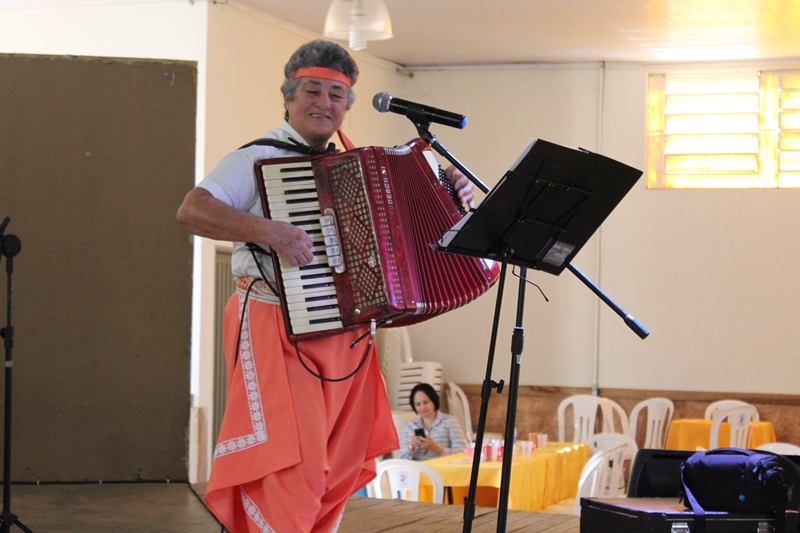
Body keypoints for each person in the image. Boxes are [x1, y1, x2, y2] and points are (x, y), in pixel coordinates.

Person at [177, 39, 475, 533]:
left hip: (346, 331)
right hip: (274, 319)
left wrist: (450, 188)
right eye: (312, 91)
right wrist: (270, 230)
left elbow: (412, 224)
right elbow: (192, 210)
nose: (324, 103)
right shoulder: (257, 157)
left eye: (337, 95)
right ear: (289, 97)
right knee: (294, 464)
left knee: (337, 463)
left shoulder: (361, 162)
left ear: (348, 105)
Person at [399, 383, 468, 461]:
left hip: (442, 470)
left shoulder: (450, 421)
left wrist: (436, 448)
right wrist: (410, 447)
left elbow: (461, 453)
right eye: (418, 404)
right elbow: (400, 458)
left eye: (426, 402)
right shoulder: (409, 426)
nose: (422, 407)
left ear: (434, 400)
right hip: (416, 470)